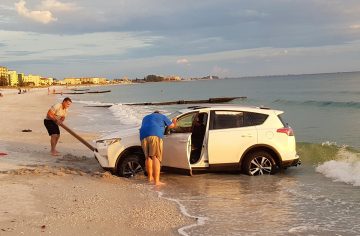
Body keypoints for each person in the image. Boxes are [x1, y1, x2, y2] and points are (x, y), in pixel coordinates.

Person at [139, 111, 176, 186]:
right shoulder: (162, 116)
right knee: (155, 157)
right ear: (159, 113)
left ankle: (150, 178)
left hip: (143, 136)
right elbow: (171, 126)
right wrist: (174, 122)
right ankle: (157, 182)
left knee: (148, 157)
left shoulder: (145, 117)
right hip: (155, 136)